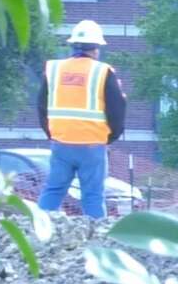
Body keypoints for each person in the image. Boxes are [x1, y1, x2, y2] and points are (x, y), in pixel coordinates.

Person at [37, 19, 128, 218]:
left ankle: (39, 226)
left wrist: (52, 133)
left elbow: (42, 106)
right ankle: (96, 233)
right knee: (93, 195)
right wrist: (110, 137)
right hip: (92, 144)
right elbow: (117, 109)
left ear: (73, 46)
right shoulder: (102, 72)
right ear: (96, 49)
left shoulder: (53, 69)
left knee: (54, 190)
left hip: (61, 142)